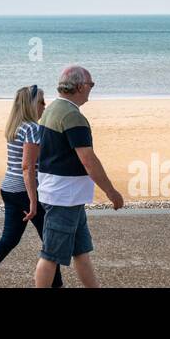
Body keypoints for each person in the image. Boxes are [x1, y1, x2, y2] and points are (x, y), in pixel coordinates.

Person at [33, 65, 124, 289]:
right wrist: (111, 192)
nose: (91, 89)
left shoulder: (52, 110)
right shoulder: (73, 116)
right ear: (81, 86)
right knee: (51, 255)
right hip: (63, 196)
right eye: (91, 85)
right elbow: (88, 160)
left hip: (66, 196)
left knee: (81, 251)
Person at [0, 84, 63, 288]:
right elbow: (27, 167)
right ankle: (57, 285)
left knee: (8, 240)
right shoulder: (32, 128)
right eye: (41, 102)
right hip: (25, 191)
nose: (45, 105)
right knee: (51, 244)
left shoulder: (15, 126)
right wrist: (32, 200)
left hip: (9, 188)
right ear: (31, 105)